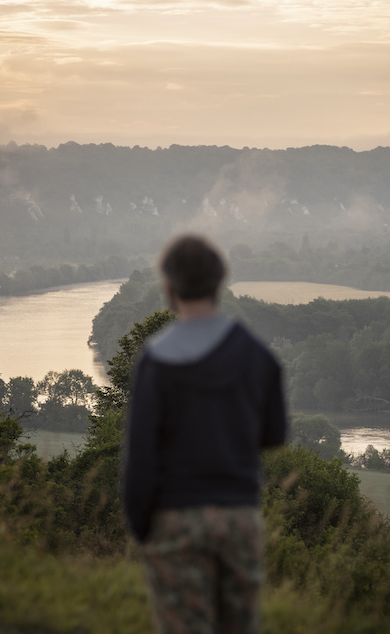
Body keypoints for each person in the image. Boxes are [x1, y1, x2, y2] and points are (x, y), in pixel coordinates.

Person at [123, 234, 287, 634]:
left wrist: (140, 525)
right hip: (239, 517)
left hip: (175, 517)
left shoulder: (156, 359)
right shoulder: (256, 353)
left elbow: (140, 457)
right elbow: (275, 433)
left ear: (169, 288)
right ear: (220, 283)